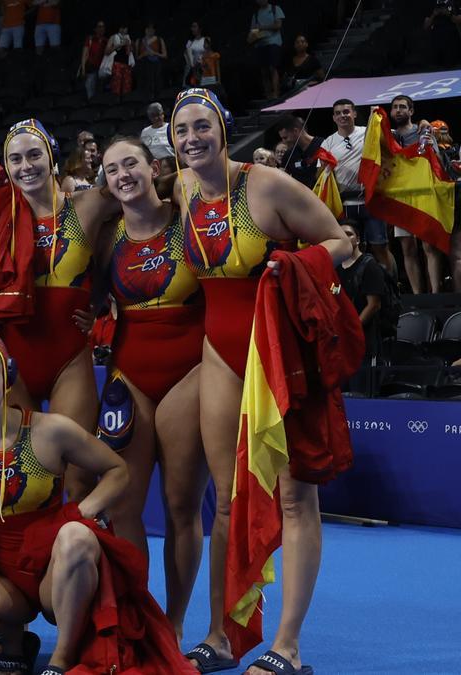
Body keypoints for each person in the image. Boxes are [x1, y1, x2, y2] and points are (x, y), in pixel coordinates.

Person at [169, 87, 351, 675]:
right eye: (181, 130)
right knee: (226, 500)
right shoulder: (182, 188)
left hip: (279, 356)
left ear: (223, 129)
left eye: (202, 126)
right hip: (220, 354)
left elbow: (341, 243)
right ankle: (222, 636)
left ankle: (288, 647)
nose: (192, 138)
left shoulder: (266, 185)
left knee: (296, 495)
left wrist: (291, 265)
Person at [0, 332, 193, 674]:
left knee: (77, 536)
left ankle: (61, 657)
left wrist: (82, 513)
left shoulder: (49, 431)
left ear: (7, 378)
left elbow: (117, 470)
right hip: (0, 577)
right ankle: (15, 635)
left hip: (53, 572)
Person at [0, 120, 122, 502]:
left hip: (68, 360)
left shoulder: (87, 206)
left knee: (75, 481)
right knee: (27, 480)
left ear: (52, 157)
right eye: (16, 159)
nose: (26, 166)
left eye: (34, 155)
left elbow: (142, 188)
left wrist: (101, 302)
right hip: (13, 360)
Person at [95, 136, 208, 635]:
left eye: (131, 164)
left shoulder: (188, 219)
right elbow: (84, 296)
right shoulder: (105, 238)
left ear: (154, 166)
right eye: (111, 169)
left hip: (191, 374)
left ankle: (176, 625)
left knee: (181, 505)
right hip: (129, 377)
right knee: (123, 504)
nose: (122, 174)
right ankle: (141, 619)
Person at [386, 94, 445, 294]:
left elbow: (437, 160)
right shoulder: (388, 136)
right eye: (395, 107)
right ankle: (418, 297)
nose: (399, 110)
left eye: (403, 107)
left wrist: (429, 145)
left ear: (411, 111)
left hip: (423, 195)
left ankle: (435, 294)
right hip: (401, 197)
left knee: (429, 246)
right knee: (408, 249)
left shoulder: (423, 132)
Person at [335, 220, 383, 395]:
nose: (345, 238)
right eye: (341, 235)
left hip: (363, 344)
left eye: (349, 234)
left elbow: (374, 305)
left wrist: (352, 328)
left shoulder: (369, 266)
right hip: (339, 345)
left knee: (361, 394)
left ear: (358, 239)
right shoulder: (335, 268)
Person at [273, 114, 322, 188]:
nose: (284, 141)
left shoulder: (323, 145)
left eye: (285, 138)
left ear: (295, 131)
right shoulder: (288, 154)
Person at [249, 0, 285, 100]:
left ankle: (276, 93)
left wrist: (262, 27)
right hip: (260, 44)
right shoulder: (256, 14)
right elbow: (253, 31)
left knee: (273, 68)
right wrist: (251, 38)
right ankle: (268, 94)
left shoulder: (275, 9)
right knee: (263, 71)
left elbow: (278, 25)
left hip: (274, 43)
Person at [136, 22, 168, 99]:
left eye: (152, 29)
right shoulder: (139, 41)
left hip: (156, 66)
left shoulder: (159, 40)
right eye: (148, 28)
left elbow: (165, 55)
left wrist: (155, 53)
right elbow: (136, 57)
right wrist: (144, 54)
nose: (150, 30)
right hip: (144, 67)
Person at [77, 20, 108, 99]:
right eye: (99, 27)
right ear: (95, 29)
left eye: (103, 27)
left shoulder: (107, 41)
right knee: (89, 85)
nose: (101, 29)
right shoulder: (90, 39)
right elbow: (85, 54)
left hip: (102, 68)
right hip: (91, 67)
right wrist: (83, 69)